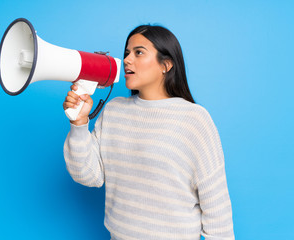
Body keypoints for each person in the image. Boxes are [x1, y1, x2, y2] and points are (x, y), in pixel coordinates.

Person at [63, 25, 235, 240]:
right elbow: (88, 176)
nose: (126, 60)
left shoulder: (194, 119)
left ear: (166, 64)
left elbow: (216, 207)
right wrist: (79, 124)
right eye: (126, 53)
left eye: (139, 52)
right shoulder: (114, 111)